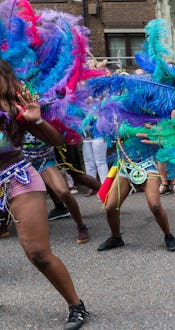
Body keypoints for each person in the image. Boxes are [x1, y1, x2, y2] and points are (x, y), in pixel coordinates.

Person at [0, 59, 88, 329]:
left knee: (38, 252)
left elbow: (56, 141)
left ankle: (76, 305)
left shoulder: (15, 107)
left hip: (17, 177)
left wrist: (35, 118)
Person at [96, 123, 175, 252]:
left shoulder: (153, 118)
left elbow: (168, 141)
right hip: (126, 165)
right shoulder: (120, 116)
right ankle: (116, 238)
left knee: (155, 206)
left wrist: (161, 136)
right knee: (110, 206)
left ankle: (168, 235)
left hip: (148, 164)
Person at [22, 131, 90, 244]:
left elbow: (59, 139)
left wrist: (38, 122)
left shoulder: (47, 116)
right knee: (29, 201)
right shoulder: (15, 117)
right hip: (25, 164)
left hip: (45, 161)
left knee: (63, 192)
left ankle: (81, 226)